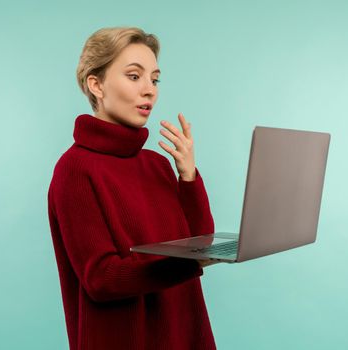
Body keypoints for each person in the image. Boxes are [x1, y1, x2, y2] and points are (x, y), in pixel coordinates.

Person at [47, 26, 220, 350]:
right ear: (95, 84)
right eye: (134, 76)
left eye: (154, 79)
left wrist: (189, 177)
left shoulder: (157, 164)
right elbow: (101, 278)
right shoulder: (74, 170)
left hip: (183, 334)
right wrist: (187, 263)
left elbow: (200, 243)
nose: (149, 90)